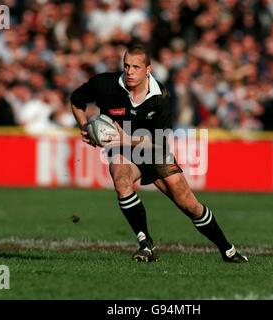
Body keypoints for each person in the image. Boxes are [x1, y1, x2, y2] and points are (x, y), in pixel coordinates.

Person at [70, 44, 247, 263]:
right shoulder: (105, 84)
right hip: (122, 149)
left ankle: (227, 250)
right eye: (126, 66)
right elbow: (76, 100)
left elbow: (160, 142)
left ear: (148, 69)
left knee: (188, 204)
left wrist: (129, 139)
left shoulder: (161, 96)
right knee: (121, 179)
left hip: (152, 149)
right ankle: (145, 243)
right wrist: (85, 125)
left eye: (136, 67)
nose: (130, 71)